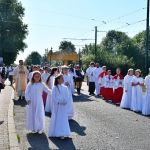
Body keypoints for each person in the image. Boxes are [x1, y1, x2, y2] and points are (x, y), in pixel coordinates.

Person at [48, 74, 71, 139]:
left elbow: (67, 95)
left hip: (64, 106)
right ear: (58, 80)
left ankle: (64, 132)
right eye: (61, 78)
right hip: (57, 106)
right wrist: (59, 101)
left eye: (63, 78)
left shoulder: (65, 87)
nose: (63, 79)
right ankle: (58, 132)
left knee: (63, 118)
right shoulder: (55, 87)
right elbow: (54, 96)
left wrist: (65, 101)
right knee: (58, 118)